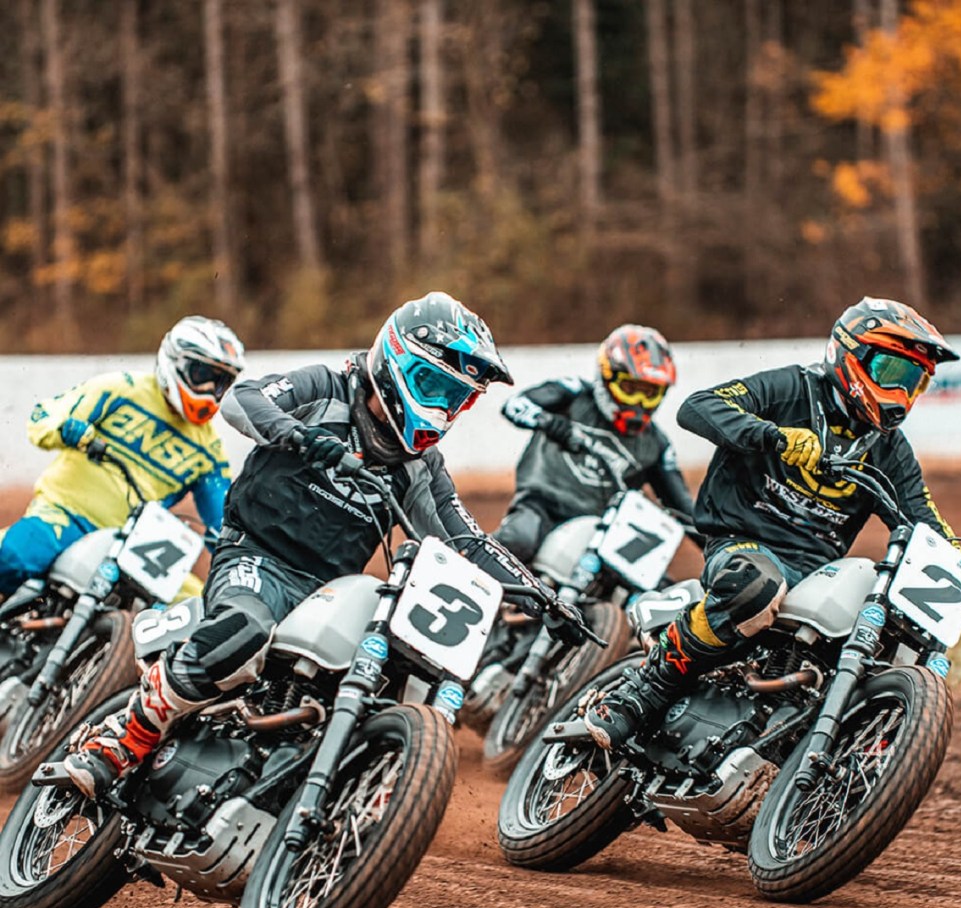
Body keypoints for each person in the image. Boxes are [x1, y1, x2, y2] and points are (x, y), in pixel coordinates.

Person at [65, 292, 585, 798]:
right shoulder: (326, 387)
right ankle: (122, 739)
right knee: (244, 629)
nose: (442, 407)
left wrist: (540, 597)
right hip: (257, 556)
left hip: (329, 591)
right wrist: (298, 435)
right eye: (433, 386)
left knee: (391, 674)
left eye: (455, 398)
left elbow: (466, 540)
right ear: (396, 359)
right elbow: (243, 400)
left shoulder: (420, 466)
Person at [584, 296, 961, 750]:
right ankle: (643, 691)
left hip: (814, 572)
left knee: (895, 637)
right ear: (849, 354)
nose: (902, 393)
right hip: (742, 541)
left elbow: (933, 535)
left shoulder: (892, 451)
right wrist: (772, 437)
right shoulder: (793, 389)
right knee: (757, 585)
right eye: (893, 373)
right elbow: (698, 406)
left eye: (915, 382)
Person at [0, 315, 246, 600]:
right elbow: (43, 416)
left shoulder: (210, 450)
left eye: (221, 383)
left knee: (196, 610)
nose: (209, 391)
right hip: (66, 513)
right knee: (13, 557)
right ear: (175, 362)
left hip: (136, 544)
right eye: (204, 375)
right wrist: (64, 429)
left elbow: (224, 523)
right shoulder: (120, 389)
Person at [494, 324, 698, 564]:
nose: (639, 403)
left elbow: (685, 511)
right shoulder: (574, 393)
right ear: (606, 376)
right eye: (630, 389)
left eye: (650, 393)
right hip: (542, 507)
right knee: (517, 540)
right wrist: (548, 422)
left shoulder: (658, 445)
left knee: (653, 585)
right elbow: (514, 405)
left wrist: (724, 549)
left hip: (604, 531)